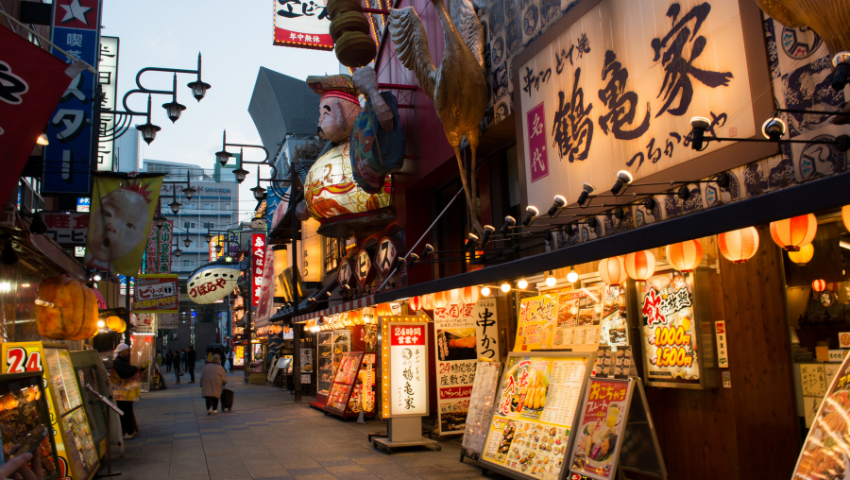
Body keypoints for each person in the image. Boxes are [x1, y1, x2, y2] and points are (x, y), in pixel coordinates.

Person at [113, 343, 147, 439]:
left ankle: (130, 430)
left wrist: (140, 367)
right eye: (127, 351)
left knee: (128, 411)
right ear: (122, 351)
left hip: (127, 391)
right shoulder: (118, 362)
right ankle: (125, 432)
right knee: (124, 412)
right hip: (121, 392)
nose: (128, 352)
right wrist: (135, 368)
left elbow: (129, 371)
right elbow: (125, 373)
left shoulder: (123, 361)